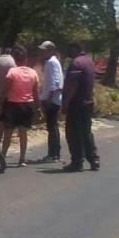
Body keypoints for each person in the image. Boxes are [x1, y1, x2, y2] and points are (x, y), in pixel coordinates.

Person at [62, 42, 100, 172]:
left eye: (70, 49)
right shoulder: (89, 61)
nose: (69, 52)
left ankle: (77, 162)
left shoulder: (76, 63)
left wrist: (65, 103)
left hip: (76, 104)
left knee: (73, 134)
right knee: (86, 132)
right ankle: (94, 160)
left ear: (76, 49)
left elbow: (73, 85)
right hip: (88, 102)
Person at [1, 46, 39, 167]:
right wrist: (38, 107)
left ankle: (2, 158)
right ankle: (22, 159)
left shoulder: (12, 72)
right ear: (26, 60)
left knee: (8, 133)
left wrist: (0, 105)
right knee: (23, 133)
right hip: (27, 105)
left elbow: (6, 90)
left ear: (15, 60)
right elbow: (35, 92)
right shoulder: (33, 73)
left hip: (12, 105)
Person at [38, 41, 63, 163]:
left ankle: (54, 154)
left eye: (44, 50)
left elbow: (55, 83)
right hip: (51, 98)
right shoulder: (51, 62)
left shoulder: (52, 62)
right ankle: (54, 153)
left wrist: (48, 100)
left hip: (51, 100)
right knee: (52, 127)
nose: (42, 52)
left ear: (50, 50)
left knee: (52, 127)